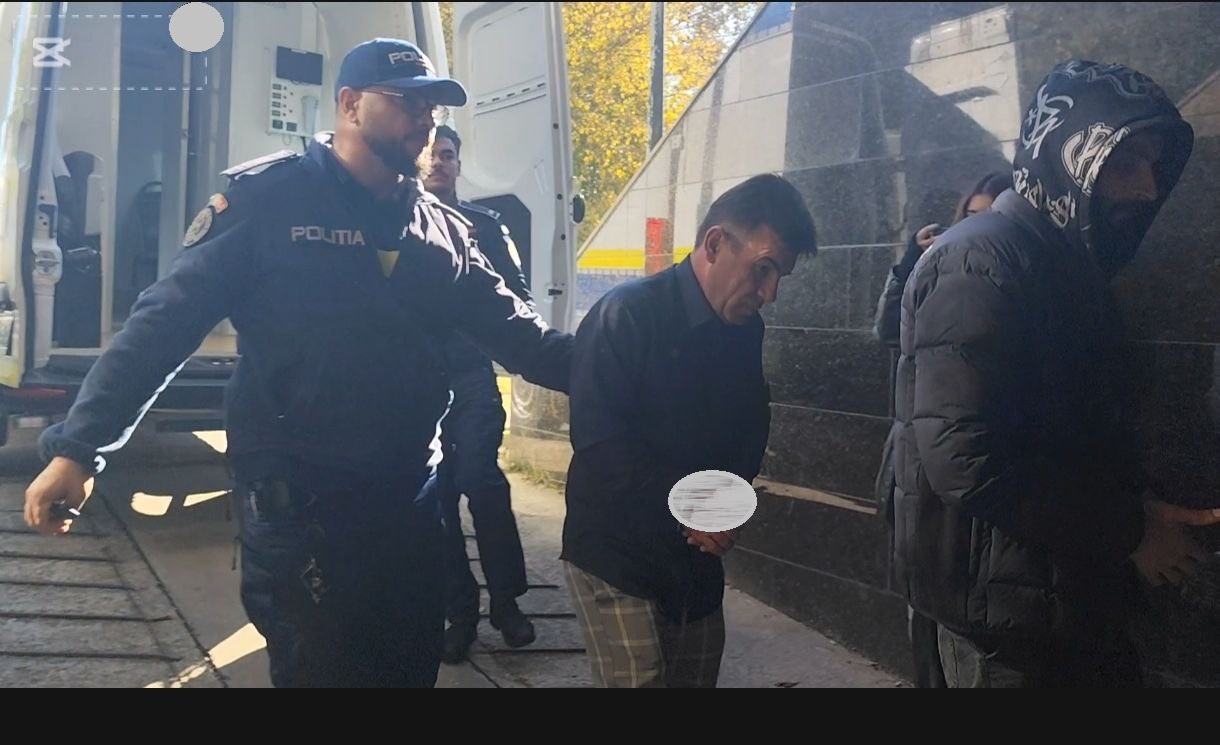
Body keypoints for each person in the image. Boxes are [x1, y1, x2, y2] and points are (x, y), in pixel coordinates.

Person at [24, 38, 572, 688]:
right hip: (305, 507)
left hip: (409, 506)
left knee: (406, 672)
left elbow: (527, 342)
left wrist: (643, 348)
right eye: (407, 102)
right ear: (350, 104)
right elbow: (161, 327)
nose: (425, 119)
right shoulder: (268, 203)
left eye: (432, 106)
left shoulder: (443, 233)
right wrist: (80, 448)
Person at [893, 60, 1219, 687]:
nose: (1147, 189)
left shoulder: (1057, 259)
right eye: (1125, 165)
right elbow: (964, 457)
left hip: (1058, 596)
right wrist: (1131, 530)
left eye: (1153, 167)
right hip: (1003, 622)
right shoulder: (980, 258)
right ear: (1067, 156)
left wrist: (1134, 508)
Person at [561, 174, 817, 687]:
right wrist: (694, 509)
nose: (769, 294)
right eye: (763, 269)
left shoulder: (745, 329)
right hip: (617, 555)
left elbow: (750, 429)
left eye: (780, 277)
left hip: (696, 563)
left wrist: (725, 510)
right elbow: (600, 444)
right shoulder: (628, 314)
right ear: (716, 244)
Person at [872, 170, 1009, 688]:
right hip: (913, 476)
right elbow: (886, 330)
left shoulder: (1007, 280)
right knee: (923, 621)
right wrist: (912, 261)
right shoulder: (936, 271)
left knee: (959, 628)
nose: (978, 227)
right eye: (970, 216)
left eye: (990, 215)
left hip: (967, 492)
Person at [423, 125, 537, 661]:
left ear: (458, 165)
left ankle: (507, 603)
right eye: (431, 155)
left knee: (481, 481)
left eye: (447, 155)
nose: (438, 163)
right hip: (418, 383)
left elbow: (520, 298)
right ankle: (459, 613)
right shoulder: (395, 224)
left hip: (471, 378)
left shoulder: (486, 227)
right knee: (438, 497)